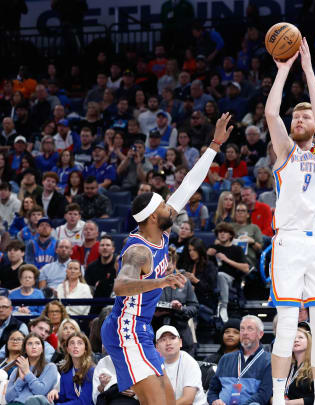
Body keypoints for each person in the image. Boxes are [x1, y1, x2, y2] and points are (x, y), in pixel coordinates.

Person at [100, 112, 233, 405]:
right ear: (150, 217)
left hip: (142, 329)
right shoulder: (138, 250)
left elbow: (188, 185)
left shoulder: (162, 228)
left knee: (169, 401)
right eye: (163, 205)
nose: (169, 208)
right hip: (126, 330)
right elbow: (121, 286)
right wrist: (161, 279)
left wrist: (214, 145)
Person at [264, 37, 315, 405]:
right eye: (297, 116)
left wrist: (308, 69)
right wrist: (283, 71)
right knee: (287, 323)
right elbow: (271, 114)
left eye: (304, 116)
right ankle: (278, 397)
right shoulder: (284, 152)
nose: (300, 119)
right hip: (289, 241)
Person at [207, 315, 273, 405]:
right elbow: (213, 391)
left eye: (250, 329)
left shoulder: (269, 360)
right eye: (242, 329)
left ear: (260, 334)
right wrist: (214, 400)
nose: (245, 333)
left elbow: (263, 395)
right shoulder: (225, 359)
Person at [155, 326, 207, 405]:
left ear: (180, 343)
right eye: (163, 340)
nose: (168, 343)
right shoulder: (153, 364)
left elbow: (187, 400)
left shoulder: (189, 362)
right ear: (157, 347)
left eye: (172, 338)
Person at [4, 333, 59, 405]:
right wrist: (21, 380)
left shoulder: (50, 367)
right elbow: (8, 398)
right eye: (30, 344)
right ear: (25, 349)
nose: (34, 347)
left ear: (42, 349)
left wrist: (27, 373)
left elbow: (41, 391)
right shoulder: (17, 370)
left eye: (37, 343)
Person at [51, 332, 95, 405]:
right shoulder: (65, 371)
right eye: (72, 343)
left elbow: (84, 402)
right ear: (68, 349)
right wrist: (55, 395)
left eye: (80, 343)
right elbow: (63, 398)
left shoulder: (91, 371)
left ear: (85, 349)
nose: (75, 346)